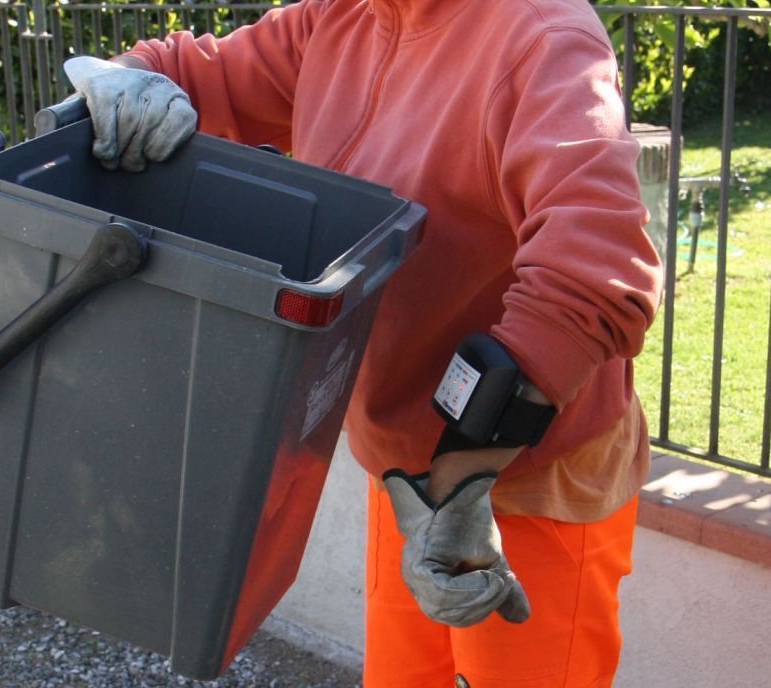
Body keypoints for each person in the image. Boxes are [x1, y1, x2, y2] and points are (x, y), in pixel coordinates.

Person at [66, 0, 663, 685]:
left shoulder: (542, 35)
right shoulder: (341, 16)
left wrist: (458, 481)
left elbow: (595, 272)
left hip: (521, 474)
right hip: (407, 474)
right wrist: (125, 77)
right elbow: (201, 74)